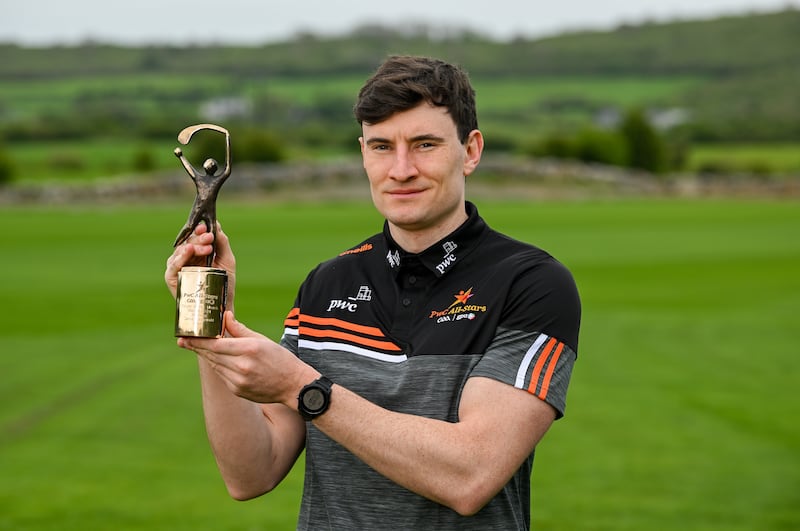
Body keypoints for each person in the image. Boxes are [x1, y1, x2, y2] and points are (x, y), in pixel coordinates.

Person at [164, 54, 581, 530]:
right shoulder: (326, 284)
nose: (400, 169)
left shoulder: (531, 283)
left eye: (424, 144)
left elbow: (470, 474)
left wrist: (302, 388)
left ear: (470, 151)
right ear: (363, 152)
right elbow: (250, 474)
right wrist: (209, 323)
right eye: (382, 146)